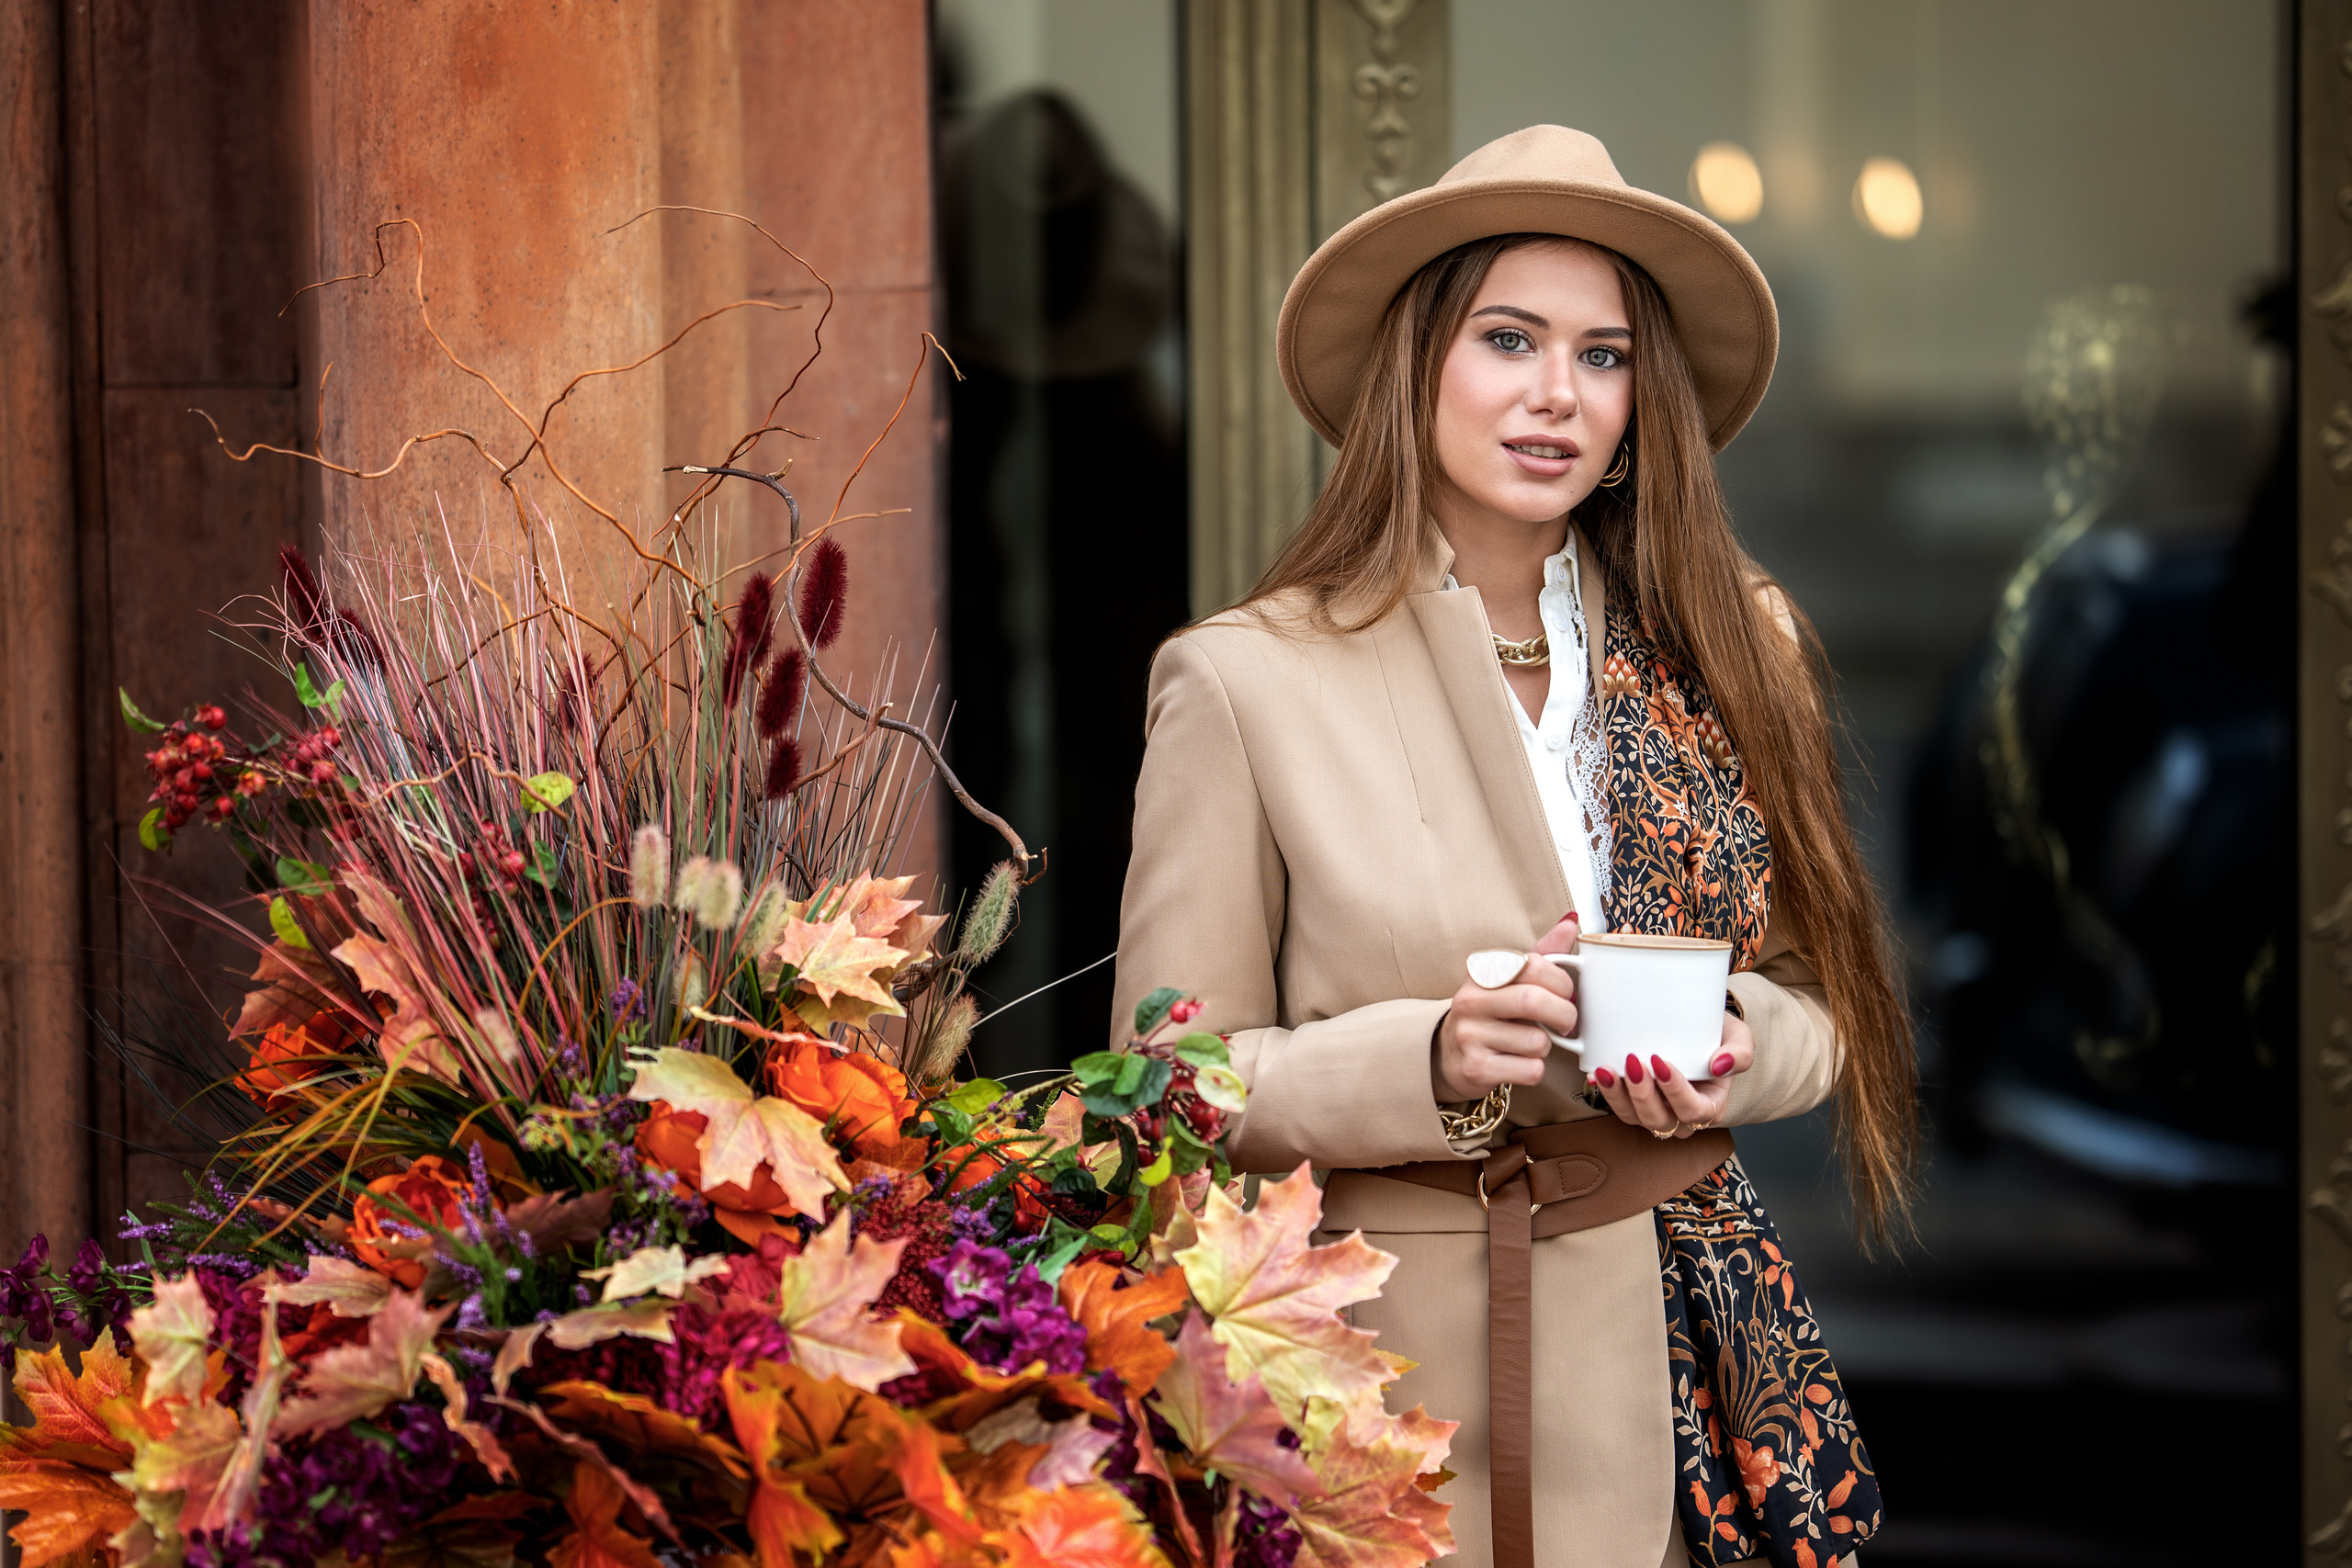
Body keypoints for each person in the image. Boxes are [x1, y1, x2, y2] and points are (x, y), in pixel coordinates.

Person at [1113, 126, 1915, 1568]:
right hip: (1378, 1391)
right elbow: (1172, 1075)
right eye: (1508, 339)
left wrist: (1735, 1047)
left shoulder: (1736, 644)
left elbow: (1824, 1008)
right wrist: (1426, 1059)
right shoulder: (1246, 681)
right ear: (1417, 363)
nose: (1559, 395)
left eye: (1604, 357)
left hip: (1691, 1375)